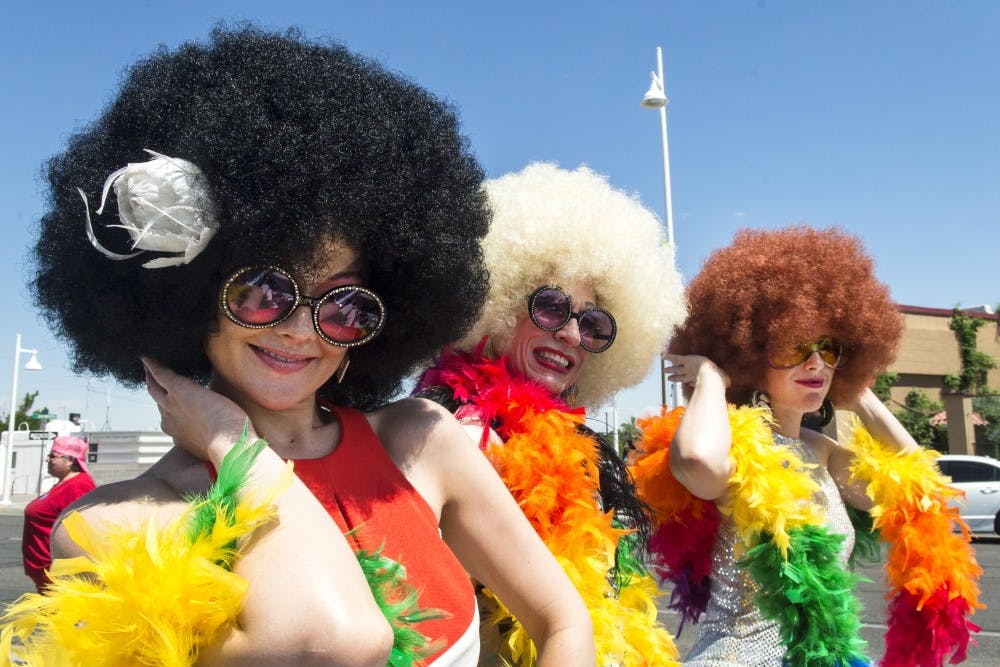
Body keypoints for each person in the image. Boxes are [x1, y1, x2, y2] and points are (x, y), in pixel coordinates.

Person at [0, 27, 593, 667]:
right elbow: (337, 640)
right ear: (194, 296)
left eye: (344, 306)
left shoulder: (422, 442)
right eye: (263, 290)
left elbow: (563, 621)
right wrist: (234, 446)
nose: (299, 329)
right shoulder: (118, 524)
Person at [631, 226, 982, 666]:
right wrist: (712, 378)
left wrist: (862, 397)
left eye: (829, 348)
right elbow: (698, 464)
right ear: (749, 354)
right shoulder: (736, 447)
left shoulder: (821, 450)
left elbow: (921, 492)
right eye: (795, 346)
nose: (815, 362)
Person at [417, 163, 687, 666]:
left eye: (593, 323)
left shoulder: (576, 451)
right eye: (549, 307)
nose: (569, 334)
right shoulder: (459, 436)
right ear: (494, 303)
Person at [21, 435, 96, 592]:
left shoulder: (79, 485)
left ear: (70, 461)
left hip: (56, 573)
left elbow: (80, 532)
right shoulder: (63, 483)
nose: (48, 460)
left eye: (53, 456)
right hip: (45, 571)